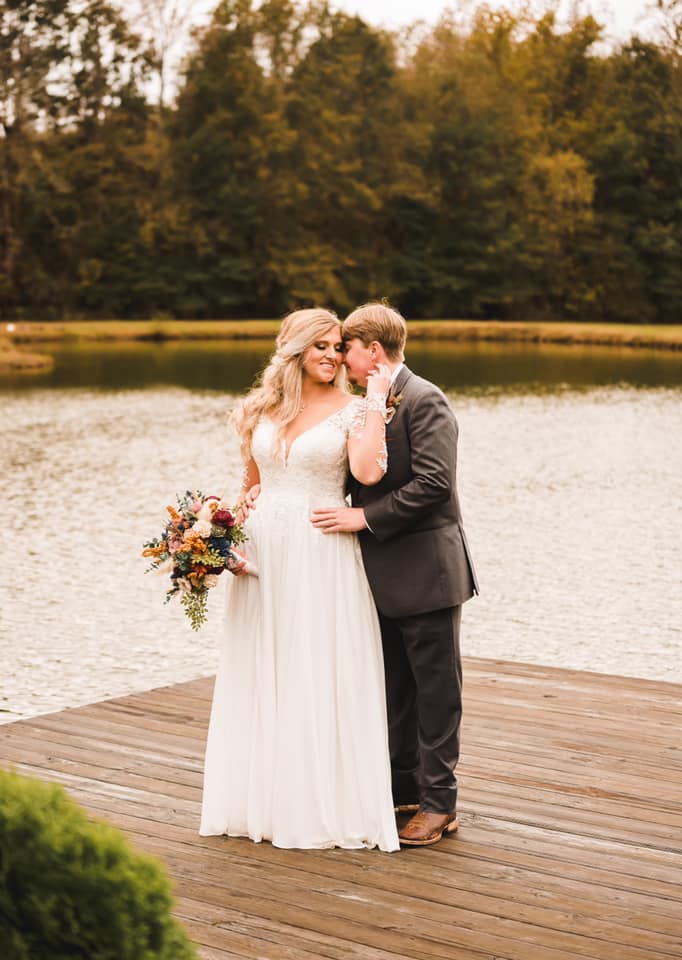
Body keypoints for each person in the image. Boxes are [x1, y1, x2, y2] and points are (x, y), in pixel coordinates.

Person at [199, 308, 400, 851]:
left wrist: (376, 400)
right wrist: (227, 528)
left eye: (338, 347)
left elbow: (367, 473)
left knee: (314, 664)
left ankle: (315, 805)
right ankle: (261, 801)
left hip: (320, 549)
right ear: (295, 350)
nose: (333, 356)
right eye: (322, 346)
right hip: (263, 554)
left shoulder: (354, 410)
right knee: (265, 663)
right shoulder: (260, 409)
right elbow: (252, 483)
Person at [311, 302, 478, 847]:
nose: (342, 359)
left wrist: (364, 518)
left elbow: (434, 483)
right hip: (375, 575)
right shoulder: (368, 402)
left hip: (427, 573)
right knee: (393, 690)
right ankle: (402, 790)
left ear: (374, 350)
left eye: (348, 349)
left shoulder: (425, 400)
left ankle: (439, 804)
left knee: (436, 692)